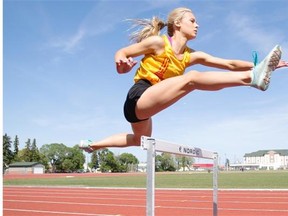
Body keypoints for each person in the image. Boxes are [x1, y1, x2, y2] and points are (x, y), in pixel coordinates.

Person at [79, 7, 288, 153]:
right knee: (192, 79)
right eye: (193, 21)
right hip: (139, 96)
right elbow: (122, 52)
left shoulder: (191, 56)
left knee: (140, 141)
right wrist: (121, 63)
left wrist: (263, 65)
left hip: (150, 104)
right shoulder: (158, 43)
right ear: (177, 24)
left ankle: (94, 144)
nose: (198, 25)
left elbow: (229, 64)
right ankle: (252, 79)